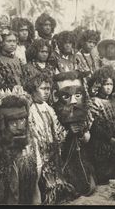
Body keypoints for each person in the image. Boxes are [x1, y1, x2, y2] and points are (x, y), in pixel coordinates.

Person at [0, 91, 41, 204]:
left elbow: (35, 174)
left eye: (22, 120)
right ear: (2, 123)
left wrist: (36, 198)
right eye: (13, 122)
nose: (20, 127)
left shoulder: (30, 141)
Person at [24, 73, 74, 204]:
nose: (46, 92)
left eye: (48, 89)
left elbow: (57, 128)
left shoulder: (49, 108)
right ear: (34, 90)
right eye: (43, 89)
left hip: (52, 149)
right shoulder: (30, 109)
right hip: (38, 151)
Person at [51, 71, 96, 196]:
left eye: (77, 95)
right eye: (66, 96)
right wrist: (67, 133)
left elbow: (87, 137)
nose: (73, 101)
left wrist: (81, 133)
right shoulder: (52, 114)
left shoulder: (85, 112)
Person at [85, 66, 115, 185]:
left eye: (111, 84)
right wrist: (110, 139)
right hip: (102, 142)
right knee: (104, 174)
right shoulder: (94, 102)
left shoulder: (114, 101)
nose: (109, 87)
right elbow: (95, 127)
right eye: (105, 84)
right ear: (99, 85)